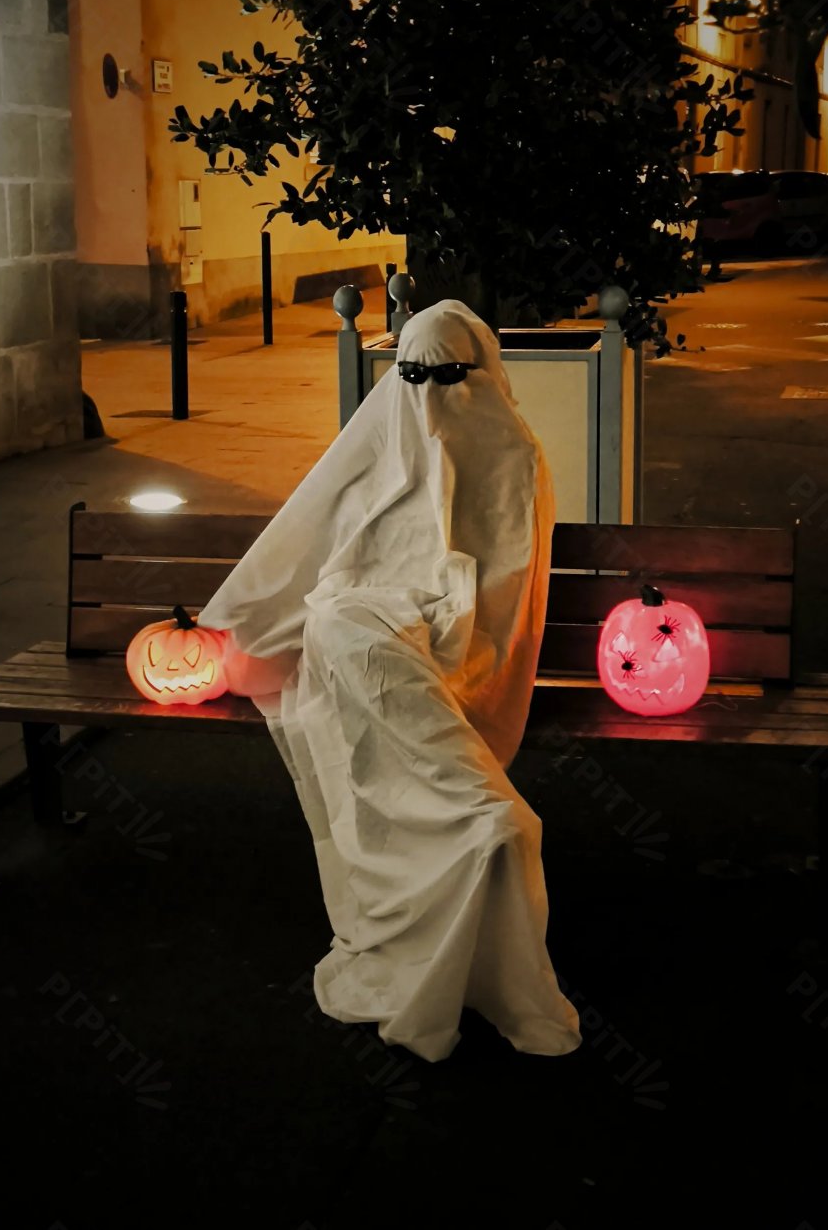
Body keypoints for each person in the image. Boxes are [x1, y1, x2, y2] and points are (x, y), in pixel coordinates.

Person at [197, 298, 581, 1063]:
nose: (428, 397)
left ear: (477, 374)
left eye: (445, 377)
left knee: (361, 651)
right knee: (342, 631)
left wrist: (443, 612)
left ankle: (477, 816)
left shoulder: (515, 458)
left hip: (463, 656)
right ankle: (479, 819)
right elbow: (317, 548)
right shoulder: (382, 444)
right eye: (412, 375)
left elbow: (510, 599)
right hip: (363, 632)